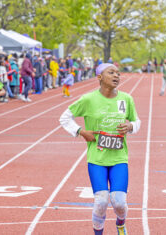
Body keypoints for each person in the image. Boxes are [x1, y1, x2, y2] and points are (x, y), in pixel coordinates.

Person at [60, 63, 141, 235]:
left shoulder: (126, 99)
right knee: (101, 202)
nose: (116, 76)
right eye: (111, 72)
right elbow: (65, 118)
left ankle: (121, 223)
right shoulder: (88, 100)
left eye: (118, 73)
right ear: (99, 77)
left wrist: (130, 126)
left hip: (119, 158)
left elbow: (137, 121)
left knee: (119, 202)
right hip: (97, 159)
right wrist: (81, 131)